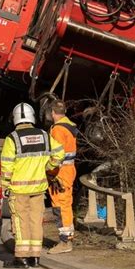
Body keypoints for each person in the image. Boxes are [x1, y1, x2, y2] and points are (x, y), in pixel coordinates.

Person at [1, 102, 64, 268]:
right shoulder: (44, 135)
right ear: (32, 117)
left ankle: (21, 257)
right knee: (36, 221)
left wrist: (4, 186)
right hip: (38, 189)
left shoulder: (12, 139)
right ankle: (35, 257)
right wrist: (48, 167)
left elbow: (7, 166)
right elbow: (59, 153)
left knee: (21, 223)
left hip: (19, 189)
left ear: (15, 119)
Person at [46, 99, 78, 254]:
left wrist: (49, 172)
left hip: (60, 174)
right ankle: (68, 237)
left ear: (52, 113)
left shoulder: (58, 130)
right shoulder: (70, 126)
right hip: (68, 170)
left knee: (60, 205)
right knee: (66, 204)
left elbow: (56, 155)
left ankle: (65, 242)